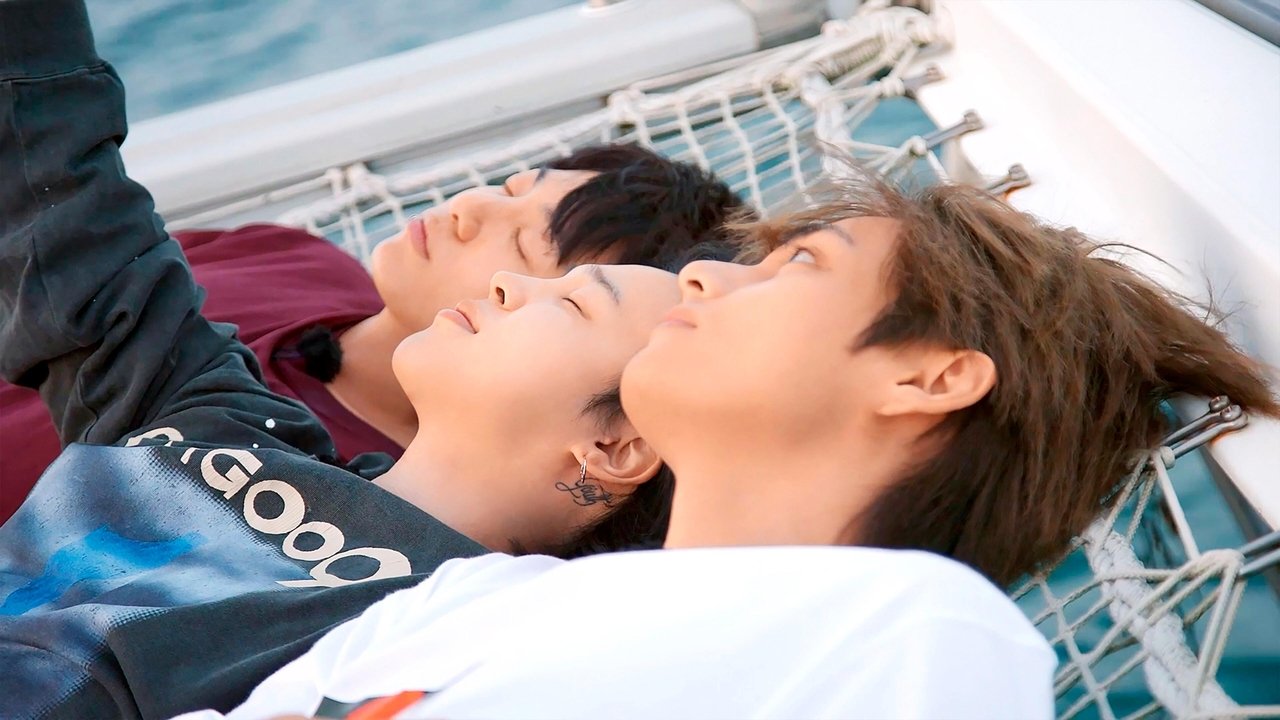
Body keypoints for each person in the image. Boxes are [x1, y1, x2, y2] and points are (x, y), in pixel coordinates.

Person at [182, 166, 1279, 718]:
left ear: (926, 376)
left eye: (801, 265)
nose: (705, 276)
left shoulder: (918, 629)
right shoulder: (464, 595)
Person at [0, 1, 723, 716]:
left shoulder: (455, 641)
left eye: (572, 301)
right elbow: (66, 212)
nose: (506, 284)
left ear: (615, 447)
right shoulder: (226, 418)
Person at [0, 112, 745, 526]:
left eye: (527, 246)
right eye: (510, 188)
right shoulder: (293, 254)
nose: (468, 207)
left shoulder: (325, 496)